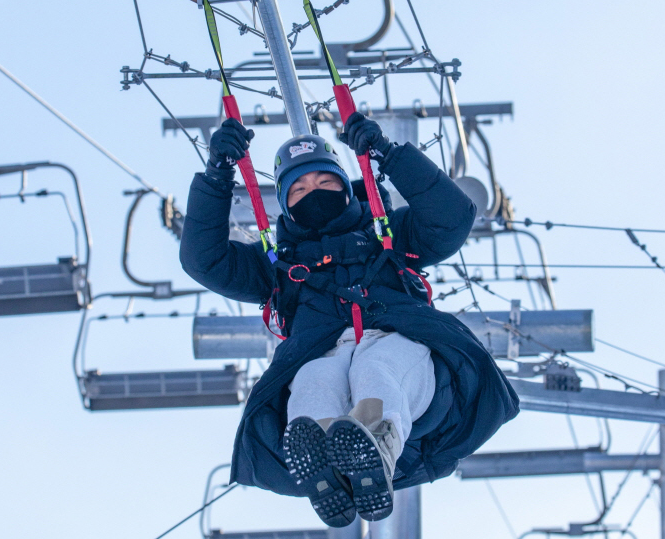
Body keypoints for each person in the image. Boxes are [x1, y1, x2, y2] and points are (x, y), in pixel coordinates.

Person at [179, 112, 519, 526]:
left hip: (399, 342)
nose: (313, 192)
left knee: (377, 366)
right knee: (311, 381)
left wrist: (388, 155)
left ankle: (375, 443)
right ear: (284, 204)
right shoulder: (277, 264)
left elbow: (452, 216)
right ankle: (327, 460)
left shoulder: (390, 234)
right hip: (324, 349)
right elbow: (205, 260)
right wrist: (218, 176)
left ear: (344, 185)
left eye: (324, 182)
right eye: (299, 189)